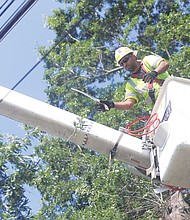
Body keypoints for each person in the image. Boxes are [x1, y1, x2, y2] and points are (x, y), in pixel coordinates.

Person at [97, 47, 170, 112]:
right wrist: (112, 104)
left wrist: (154, 73)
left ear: (133, 56)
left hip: (171, 92)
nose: (125, 65)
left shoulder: (147, 61)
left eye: (125, 60)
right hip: (160, 108)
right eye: (122, 64)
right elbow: (129, 104)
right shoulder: (131, 84)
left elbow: (164, 64)